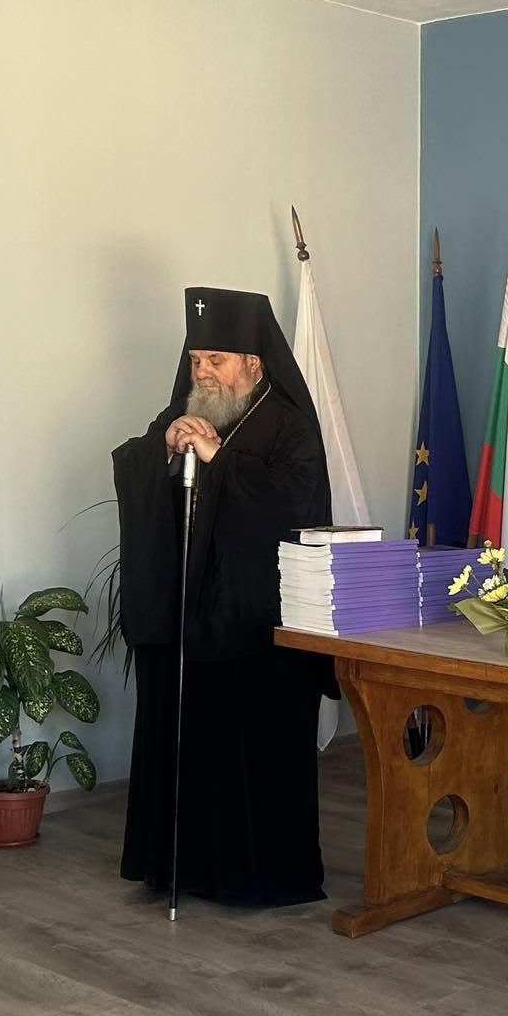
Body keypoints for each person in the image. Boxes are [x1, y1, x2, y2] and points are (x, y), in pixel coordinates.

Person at [112, 287, 332, 907]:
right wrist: (164, 446)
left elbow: (296, 505)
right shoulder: (182, 412)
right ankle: (181, 867)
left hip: (254, 626)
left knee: (248, 753)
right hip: (186, 616)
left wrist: (219, 459)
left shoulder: (288, 423)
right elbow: (137, 470)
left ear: (253, 365)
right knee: (186, 745)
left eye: (216, 360)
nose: (203, 372)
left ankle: (251, 876)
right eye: (195, 360)